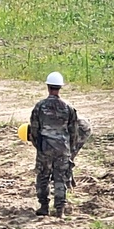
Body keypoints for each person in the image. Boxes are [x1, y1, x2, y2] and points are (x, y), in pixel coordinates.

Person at [27, 72, 78, 218]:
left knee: (43, 176)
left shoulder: (40, 106)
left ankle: (44, 206)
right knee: (60, 178)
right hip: (63, 149)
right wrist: (70, 149)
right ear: (60, 87)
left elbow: (34, 130)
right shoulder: (68, 108)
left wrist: (38, 146)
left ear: (48, 87)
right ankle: (60, 210)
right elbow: (73, 132)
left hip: (45, 147)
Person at [68, 116, 92, 189]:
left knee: (66, 158)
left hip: (80, 128)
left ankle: (68, 184)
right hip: (84, 125)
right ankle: (70, 183)